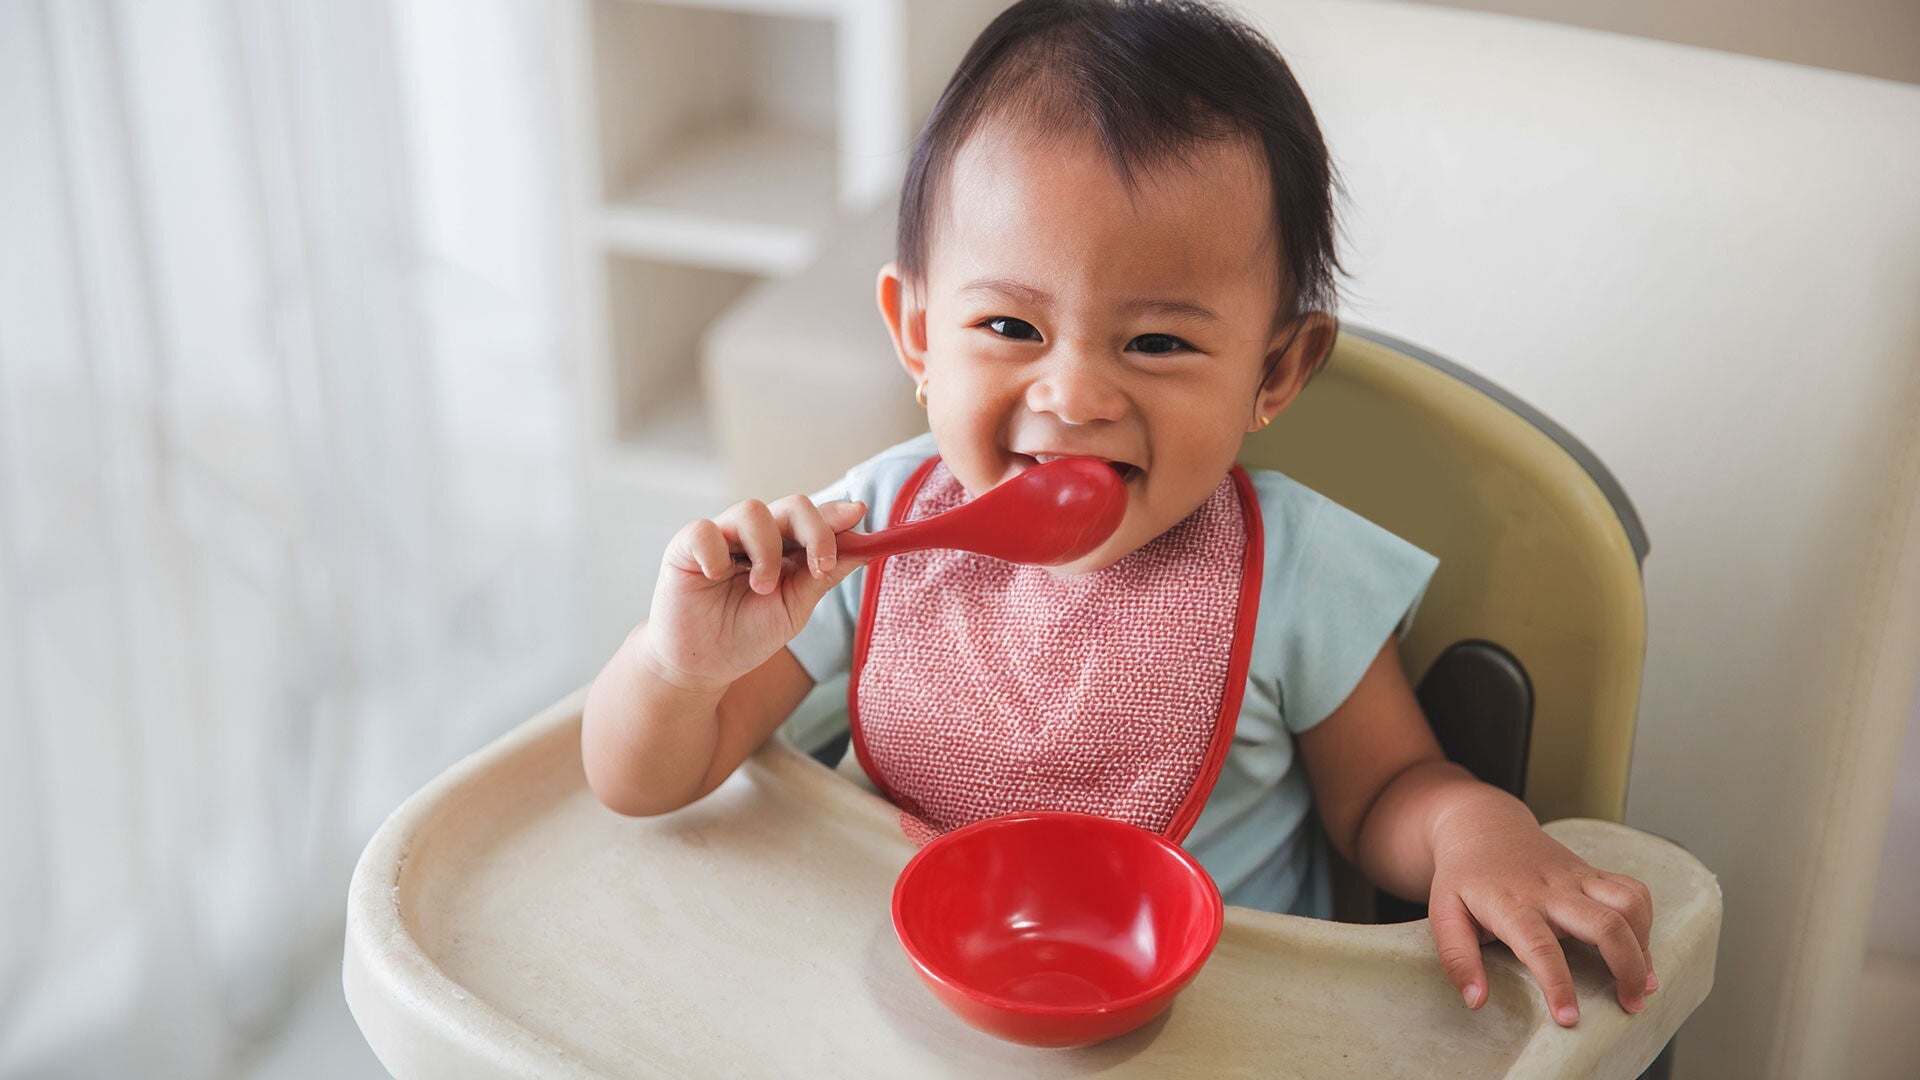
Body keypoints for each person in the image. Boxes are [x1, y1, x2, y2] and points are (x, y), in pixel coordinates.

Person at [583, 0, 1656, 1026]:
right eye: (1010, 324)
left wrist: (1478, 830)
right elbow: (643, 782)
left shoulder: (1291, 568)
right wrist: (681, 671)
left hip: (1214, 1031)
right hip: (894, 1009)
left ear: (1275, 372)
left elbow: (1384, 794)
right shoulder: (862, 535)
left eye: (1157, 343)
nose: (1076, 396)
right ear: (916, 335)